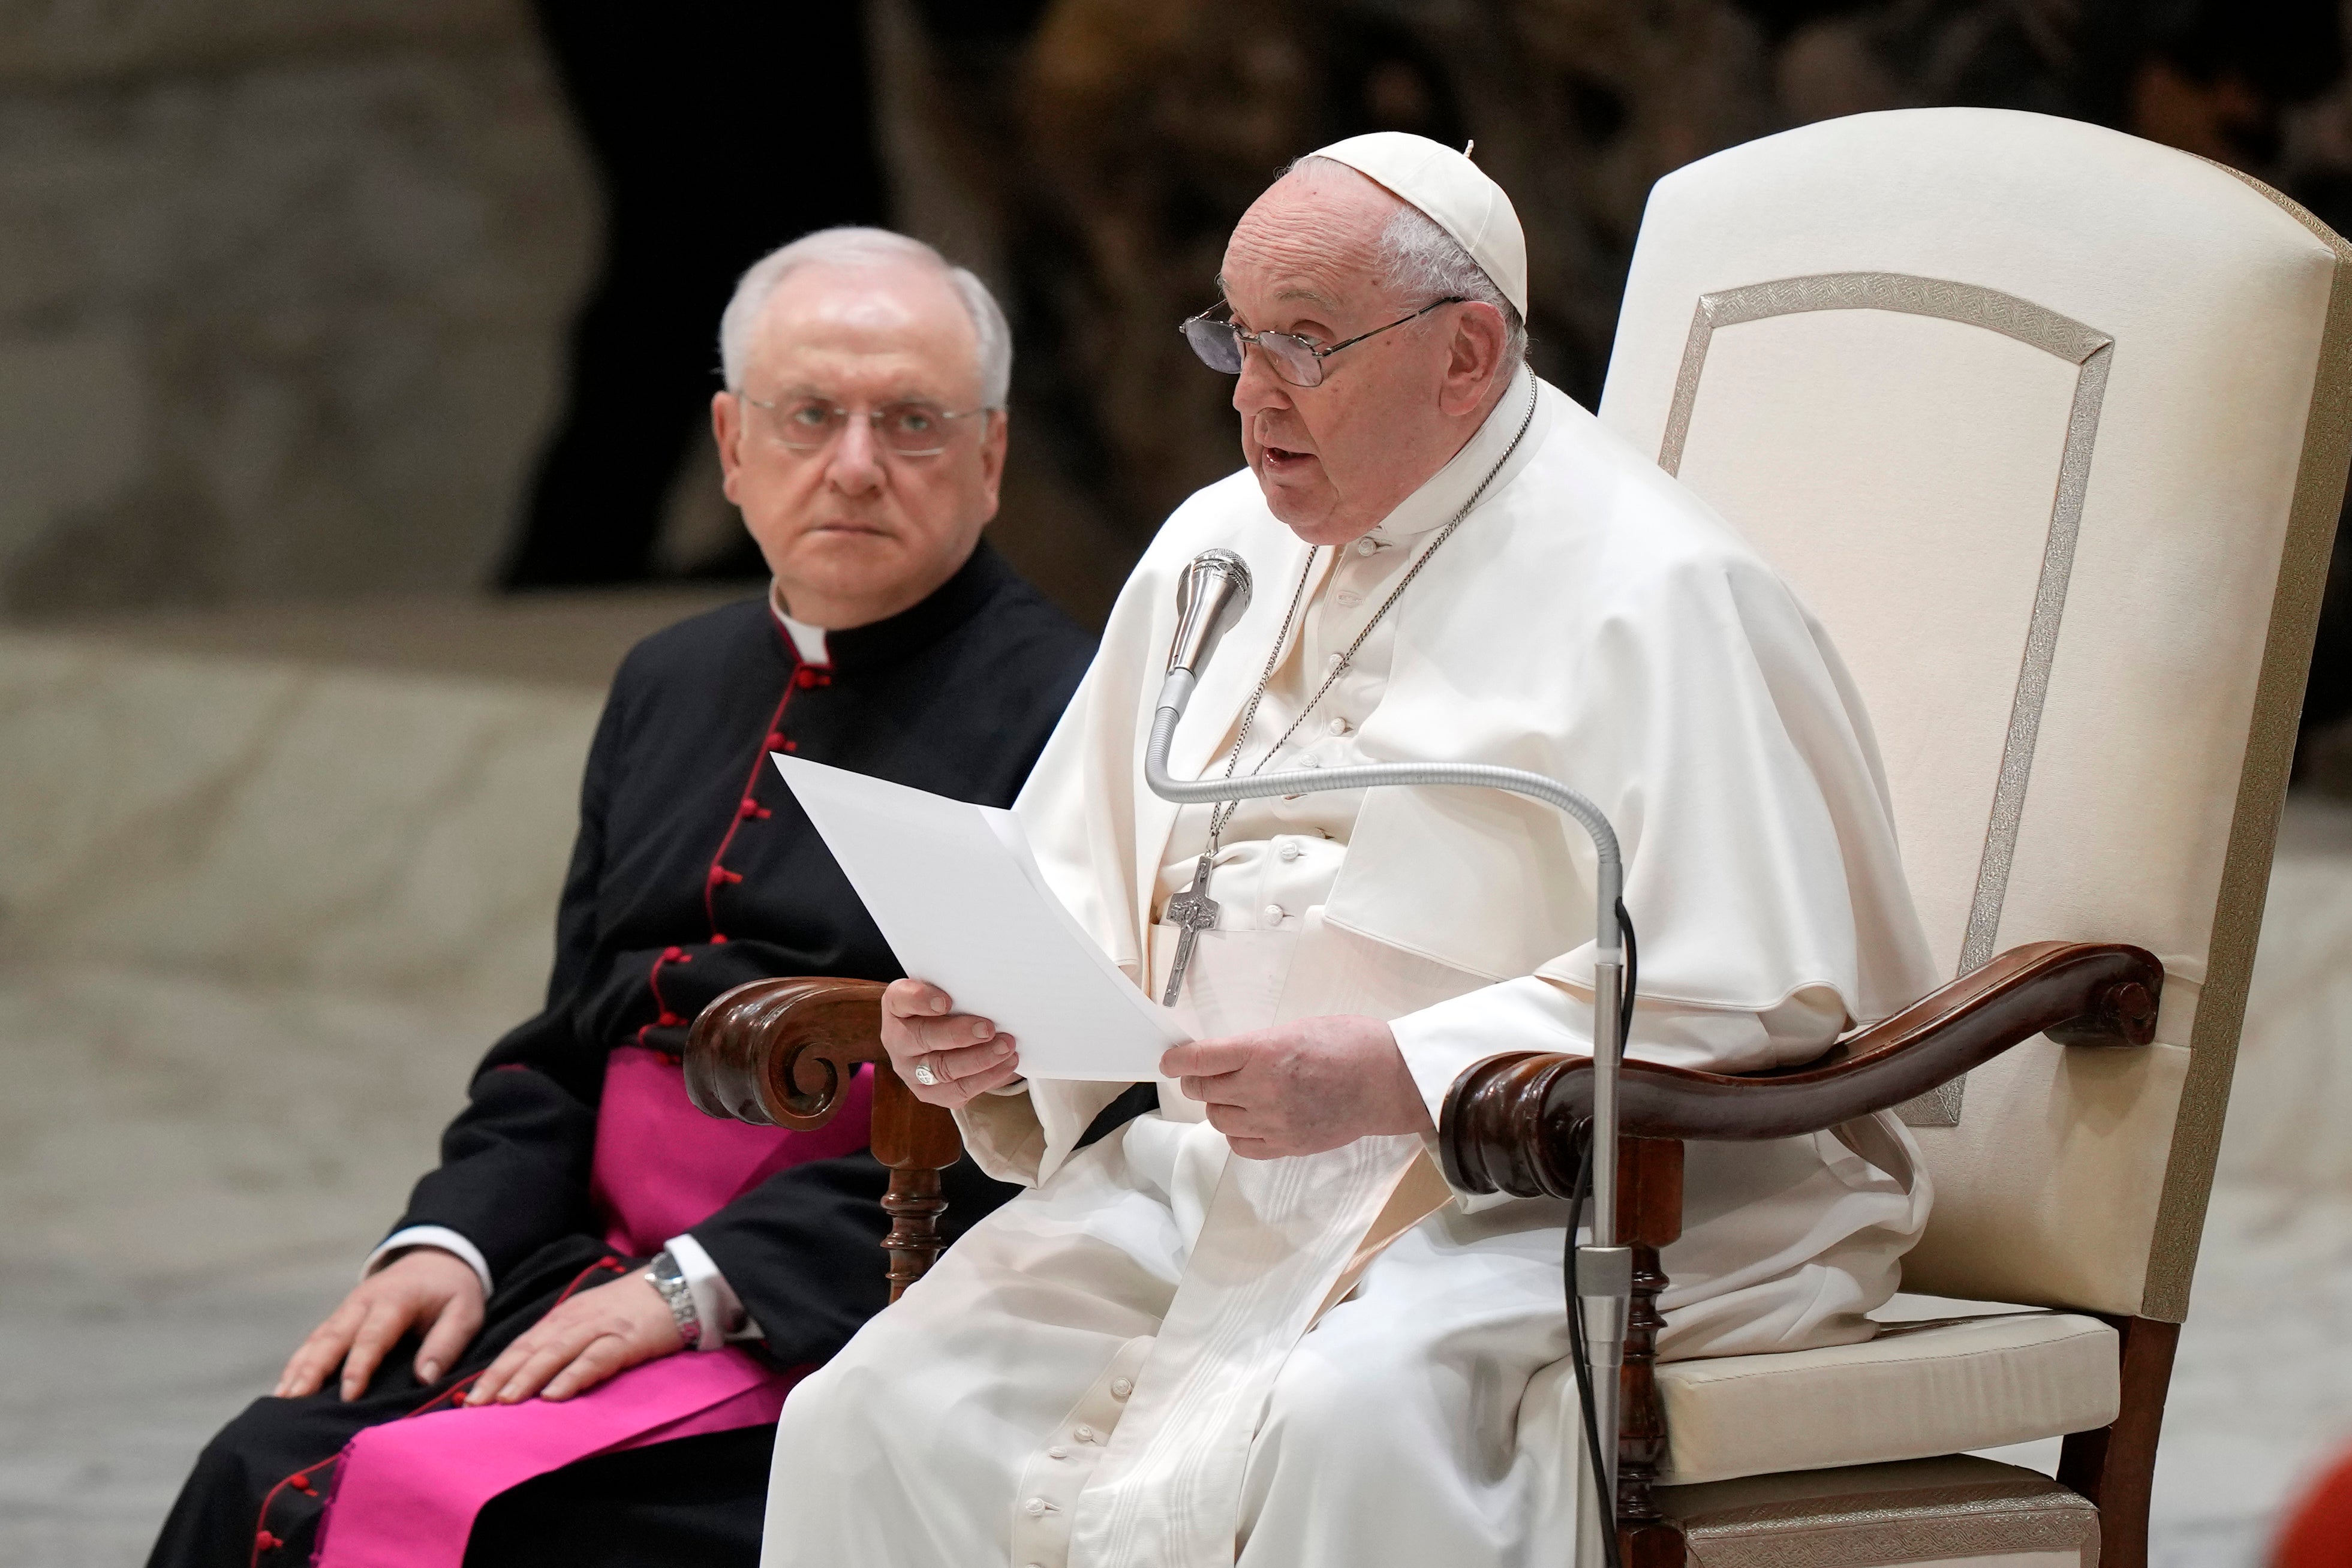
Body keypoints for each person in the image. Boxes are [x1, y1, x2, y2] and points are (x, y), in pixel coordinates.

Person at [759, 136, 1940, 1567]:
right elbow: (1080, 883)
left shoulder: (1656, 591)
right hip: (1222, 1170)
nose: (1250, 397)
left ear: (1466, 354)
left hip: (1548, 1195)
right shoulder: (1213, 548)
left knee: (1350, 1422)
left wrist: (1400, 1073)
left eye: (1304, 344)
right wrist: (991, 1027)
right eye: (1235, 337)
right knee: (869, 1412)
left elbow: (1752, 990)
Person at [149, 228, 1096, 1568]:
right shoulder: (669, 678)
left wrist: (704, 1289)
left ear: (991, 457)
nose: (854, 465)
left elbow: (1048, 1131)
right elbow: (568, 1046)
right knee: (261, 1459)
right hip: (581, 1267)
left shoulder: (1072, 718)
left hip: (844, 1304)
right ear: (729, 442)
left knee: (518, 1524)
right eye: (810, 415)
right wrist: (452, 1241)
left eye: (914, 423)